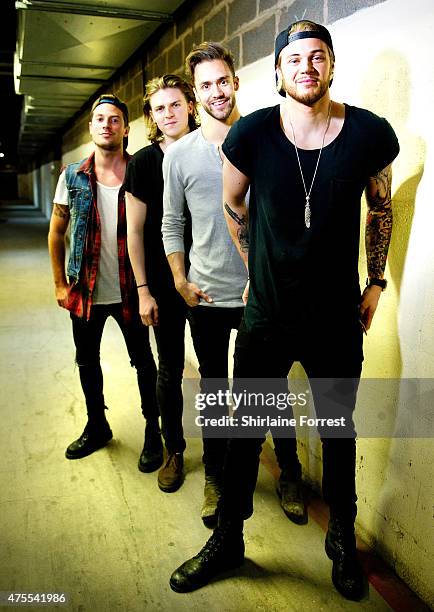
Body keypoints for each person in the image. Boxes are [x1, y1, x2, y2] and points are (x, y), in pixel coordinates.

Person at [169, 21, 399, 601]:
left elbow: (381, 205)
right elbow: (231, 199)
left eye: (317, 57)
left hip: (336, 320)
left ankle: (341, 538)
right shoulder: (251, 134)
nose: (306, 67)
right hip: (268, 316)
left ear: (331, 66)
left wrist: (375, 281)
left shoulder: (368, 133)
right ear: (277, 72)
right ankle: (228, 539)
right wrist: (254, 270)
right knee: (246, 431)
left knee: (337, 431)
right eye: (294, 58)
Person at [162, 42, 305, 528]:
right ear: (196, 93)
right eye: (205, 85)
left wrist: (270, 275)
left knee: (270, 388)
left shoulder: (268, 136)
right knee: (215, 388)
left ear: (236, 81)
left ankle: (289, 472)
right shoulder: (179, 155)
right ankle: (216, 477)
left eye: (223, 80)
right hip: (205, 295)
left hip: (262, 292)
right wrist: (180, 279)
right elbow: (171, 223)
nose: (216, 91)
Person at [48, 94, 162, 470]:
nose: (107, 124)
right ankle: (97, 426)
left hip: (132, 288)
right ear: (91, 127)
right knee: (86, 362)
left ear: (126, 129)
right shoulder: (72, 176)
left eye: (115, 119)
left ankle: (152, 431)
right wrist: (60, 284)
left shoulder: (141, 169)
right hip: (86, 289)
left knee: (144, 363)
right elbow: (56, 231)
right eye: (100, 119)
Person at [125, 74, 199, 492]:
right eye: (159, 108)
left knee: (216, 370)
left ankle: (226, 455)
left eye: (175, 104)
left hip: (207, 281)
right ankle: (174, 449)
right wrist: (144, 291)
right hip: (162, 282)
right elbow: (134, 233)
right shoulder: (144, 163)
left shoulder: (212, 150)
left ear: (190, 105)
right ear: (151, 117)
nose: (168, 113)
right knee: (169, 370)